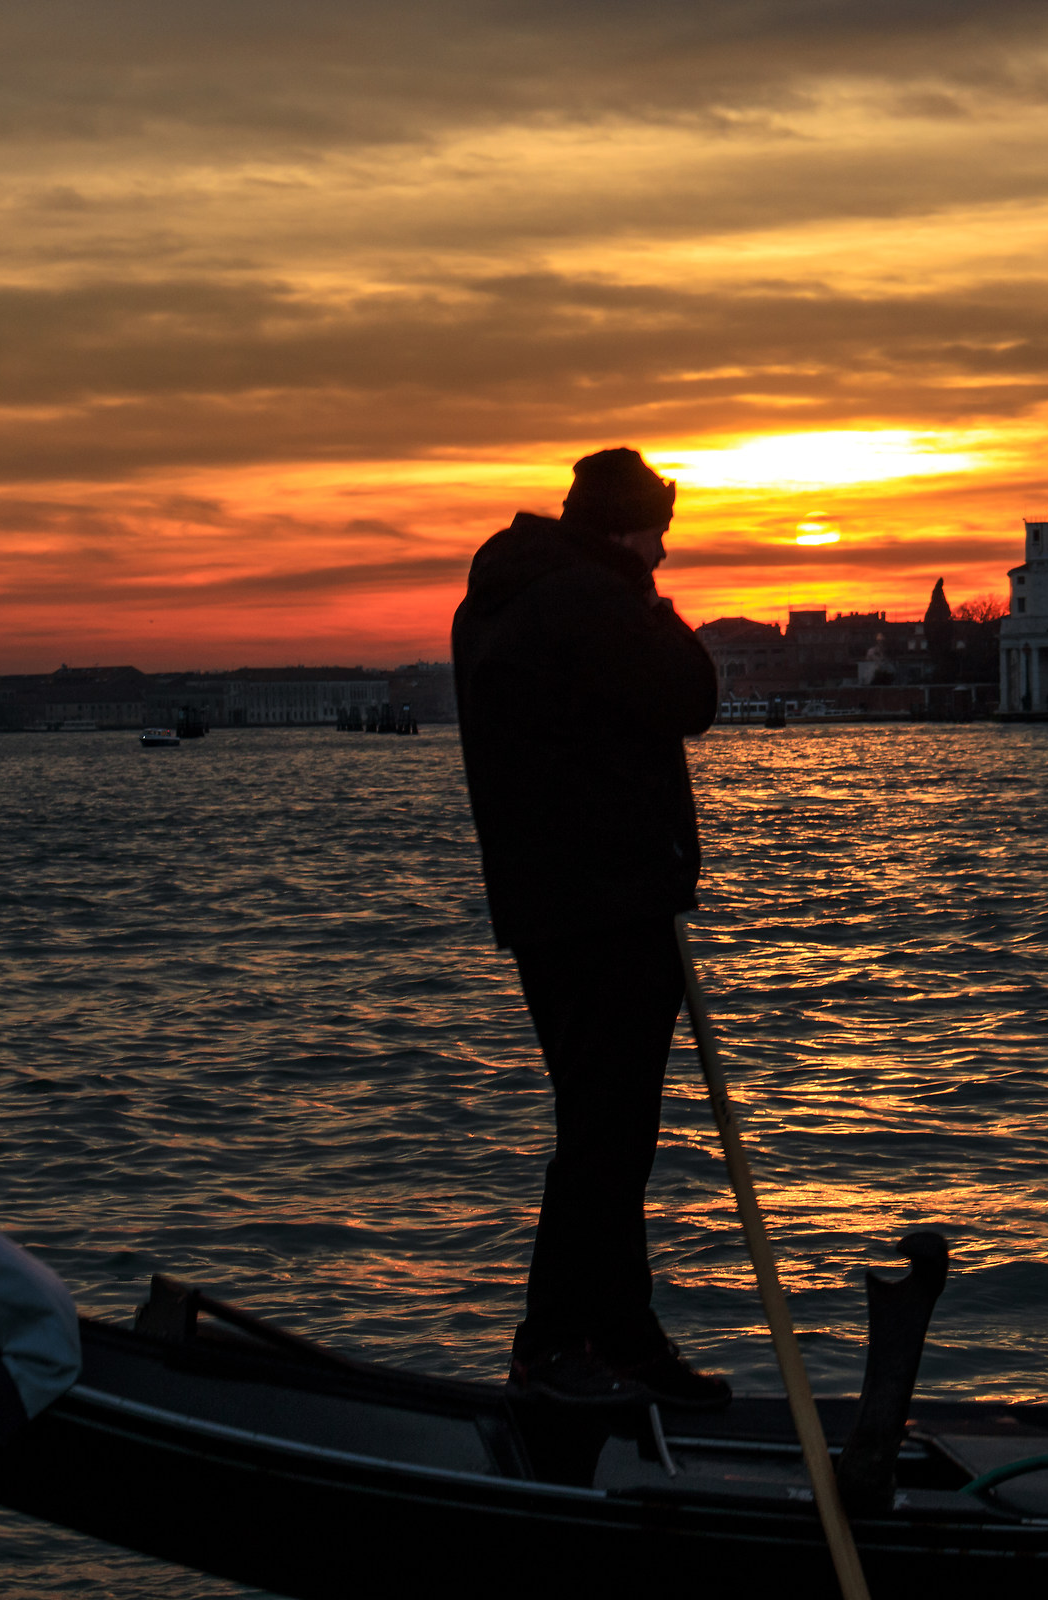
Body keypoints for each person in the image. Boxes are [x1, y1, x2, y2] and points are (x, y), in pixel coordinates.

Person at [451, 447, 731, 1409]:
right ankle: (557, 1343)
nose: (665, 552)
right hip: (607, 904)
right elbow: (693, 696)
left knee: (603, 1131)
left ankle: (618, 1333)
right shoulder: (594, 599)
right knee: (607, 1139)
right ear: (628, 528)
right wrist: (647, 600)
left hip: (548, 905)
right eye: (659, 534)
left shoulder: (500, 596)